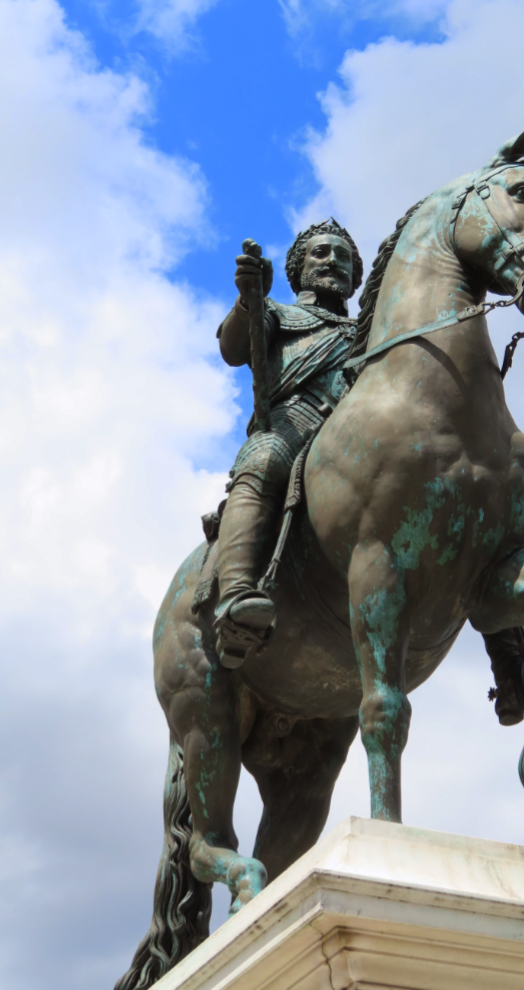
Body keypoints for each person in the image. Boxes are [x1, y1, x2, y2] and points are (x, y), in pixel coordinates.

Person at [213, 219, 363, 667]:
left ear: (357, 276)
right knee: (263, 459)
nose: (333, 260)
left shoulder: (375, 333)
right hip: (296, 421)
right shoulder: (279, 313)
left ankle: (509, 653)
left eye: (343, 256)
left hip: (359, 430)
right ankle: (236, 598)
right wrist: (249, 300)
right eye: (321, 253)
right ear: (298, 268)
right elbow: (233, 348)